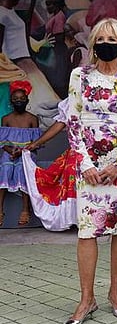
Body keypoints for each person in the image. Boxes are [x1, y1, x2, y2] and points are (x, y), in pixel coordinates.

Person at [61, 18, 117, 324]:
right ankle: (86, 299)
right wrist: (86, 164)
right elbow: (73, 122)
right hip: (89, 165)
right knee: (87, 230)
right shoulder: (79, 76)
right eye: (101, 37)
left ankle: (115, 292)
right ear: (93, 42)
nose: (106, 42)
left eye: (113, 38)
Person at [23, 98, 78, 231]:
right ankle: (76, 220)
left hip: (104, 153)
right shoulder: (74, 98)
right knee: (70, 173)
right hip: (78, 152)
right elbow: (60, 124)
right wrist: (36, 143)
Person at [0, 80, 41, 227]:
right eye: (16, 99)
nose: (19, 101)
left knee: (22, 169)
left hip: (26, 153)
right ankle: (0, 210)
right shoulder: (6, 119)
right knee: (5, 167)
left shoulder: (32, 119)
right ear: (11, 101)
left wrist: (23, 151)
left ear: (27, 100)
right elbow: (2, 142)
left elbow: (36, 143)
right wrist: (12, 150)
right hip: (9, 152)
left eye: (22, 99)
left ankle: (25, 210)